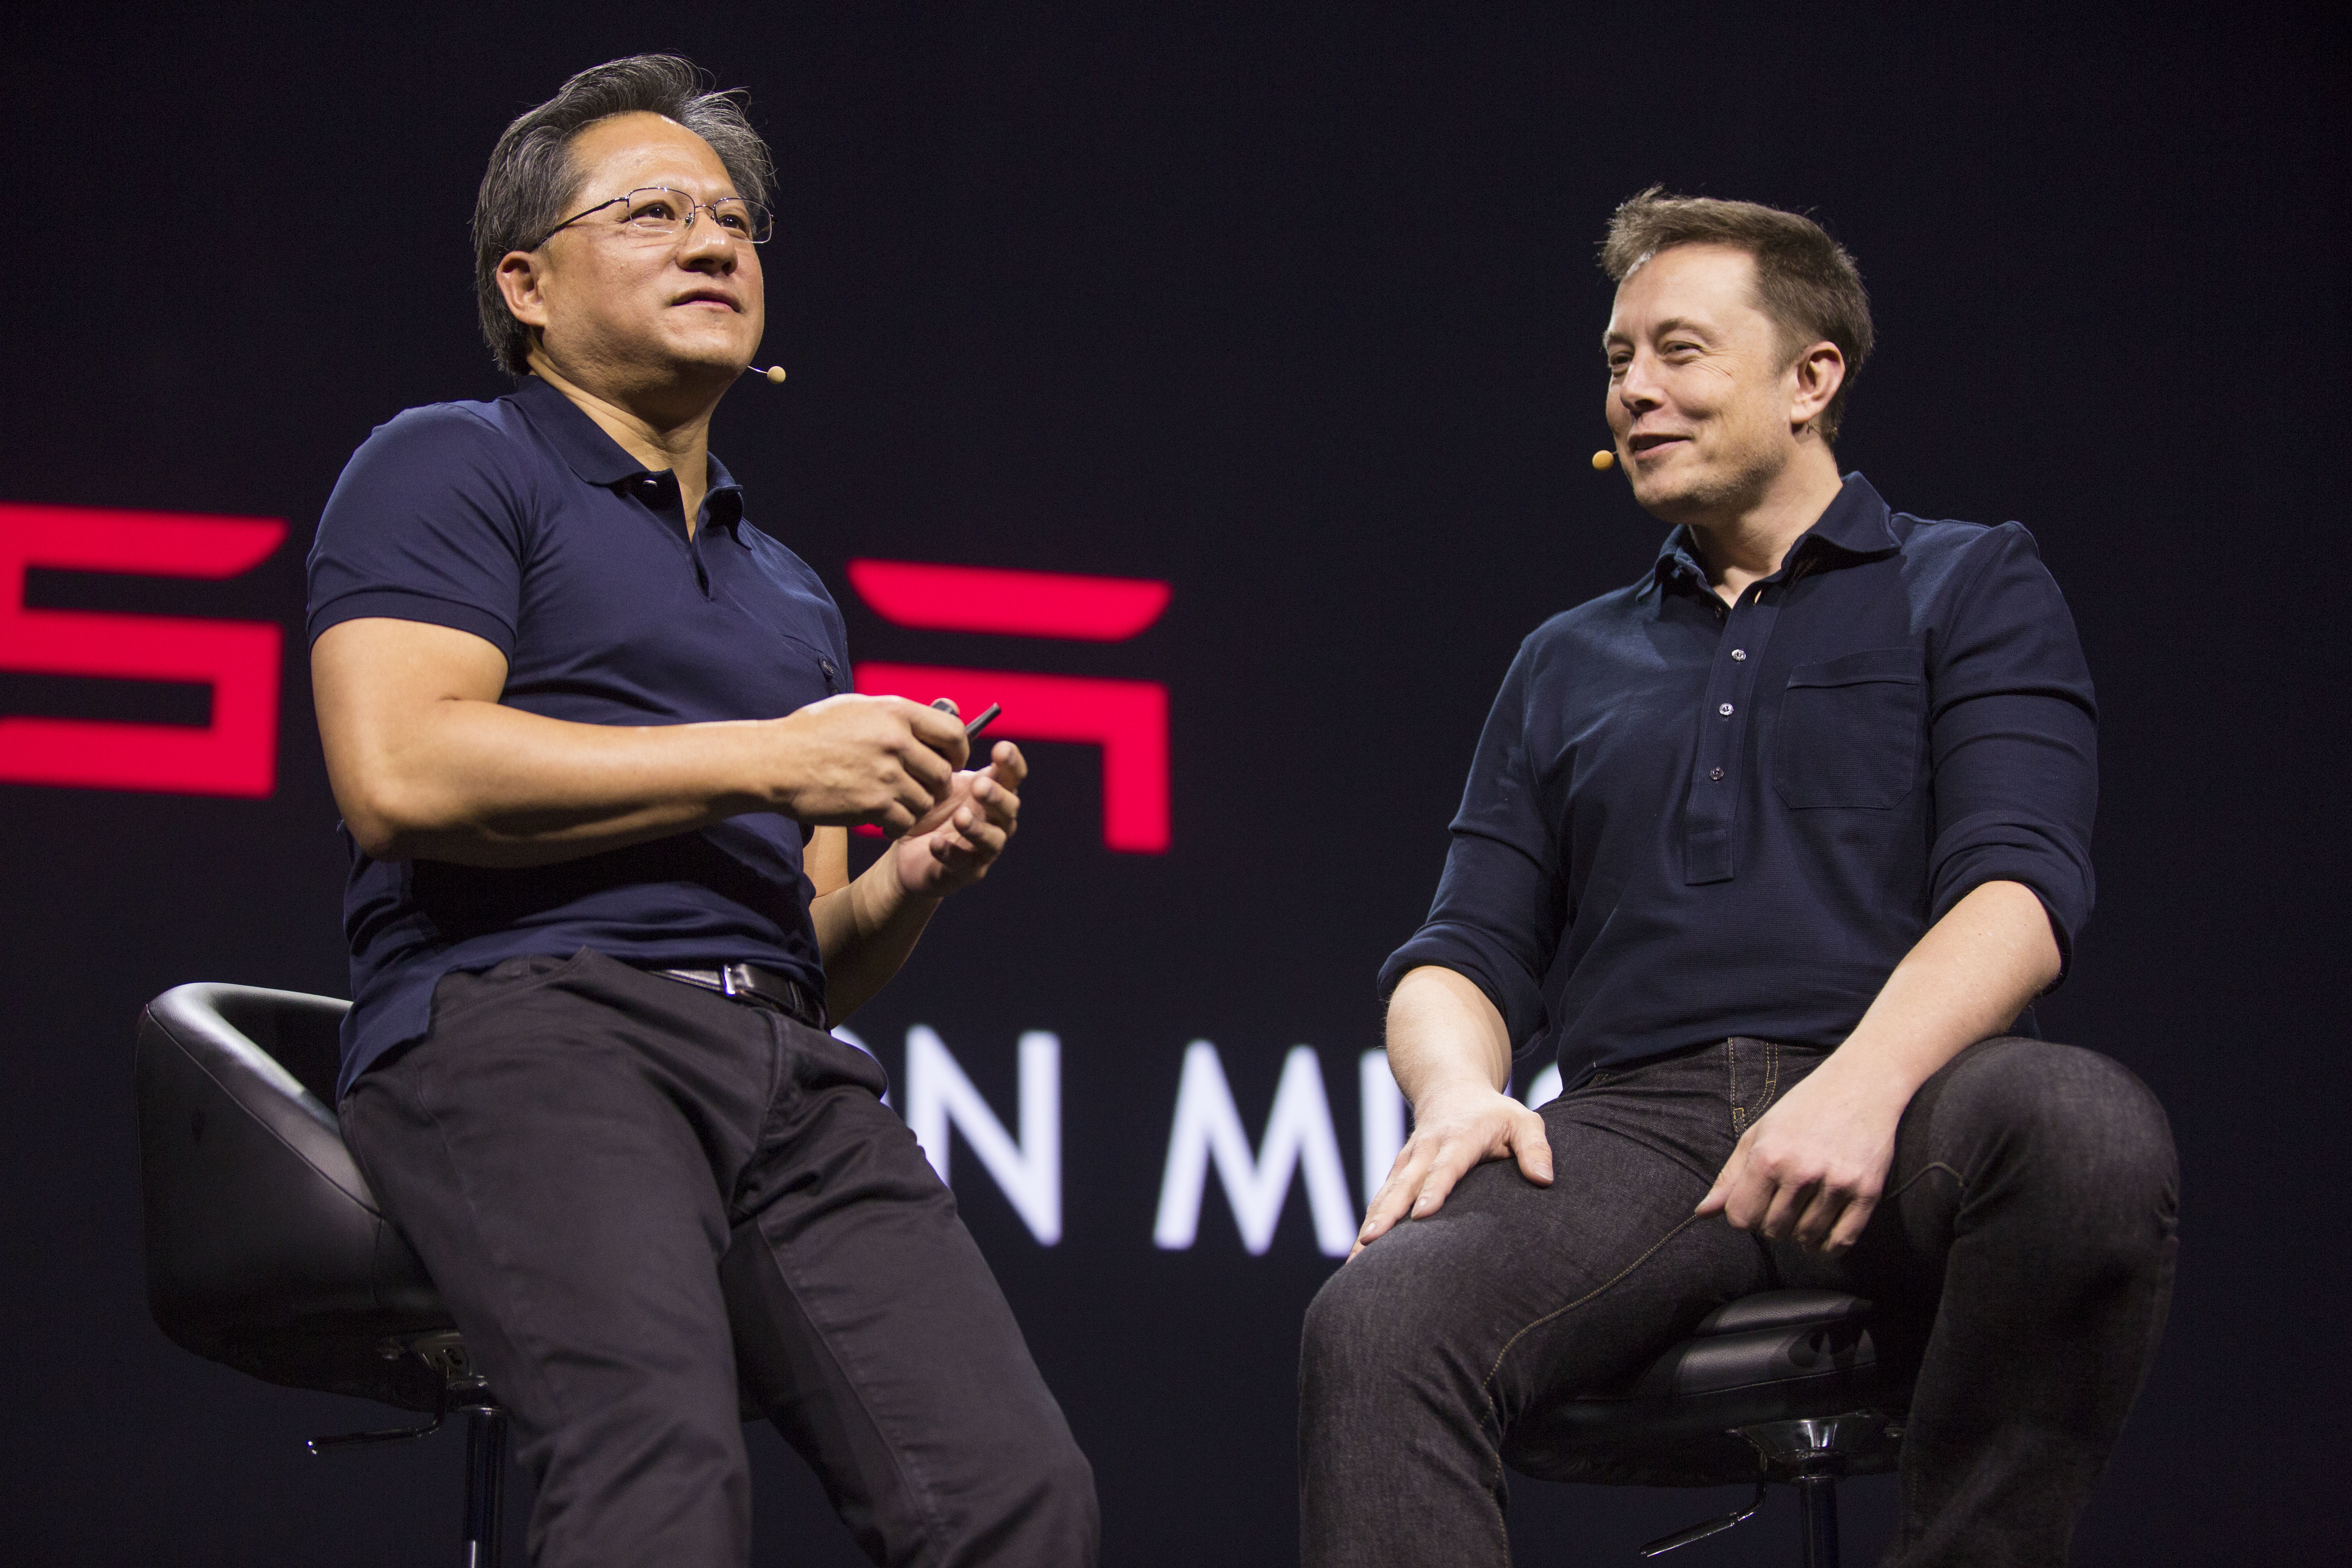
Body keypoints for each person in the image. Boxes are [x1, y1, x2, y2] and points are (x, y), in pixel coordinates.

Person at [1299, 190, 2177, 1566]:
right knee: (1379, 1317)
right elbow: (1462, 949)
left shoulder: (1971, 583)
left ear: (1811, 380)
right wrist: (1460, 1088)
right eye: (1615, 360)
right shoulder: (1566, 658)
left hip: (1905, 1095)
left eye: (1680, 352)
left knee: (2083, 1130)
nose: (1632, 392)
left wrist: (1865, 1084)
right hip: (1642, 1137)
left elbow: (2018, 893)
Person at [305, 55, 1096, 1568]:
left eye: (733, 222)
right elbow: (401, 773)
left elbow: (808, 943)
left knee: (1015, 1498)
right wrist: (767, 758)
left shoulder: (789, 588)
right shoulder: (449, 465)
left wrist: (911, 875)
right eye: (652, 212)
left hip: (784, 1070)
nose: (714, 244)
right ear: (526, 284)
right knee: (656, 1475)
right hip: (530, 1026)